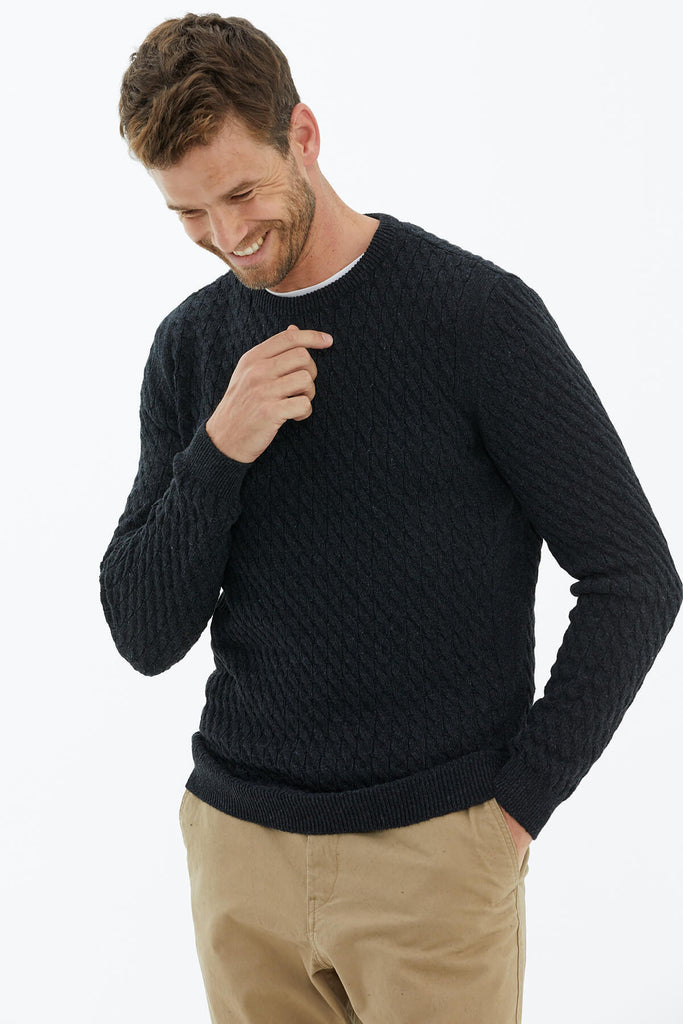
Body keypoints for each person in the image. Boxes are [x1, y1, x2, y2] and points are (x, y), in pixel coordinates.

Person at [100, 13, 682, 1024]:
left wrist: (512, 812)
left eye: (240, 193)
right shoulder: (190, 348)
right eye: (188, 213)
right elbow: (144, 634)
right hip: (240, 856)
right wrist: (220, 449)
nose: (226, 237)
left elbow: (633, 576)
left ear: (303, 134)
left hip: (431, 864)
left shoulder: (474, 318)